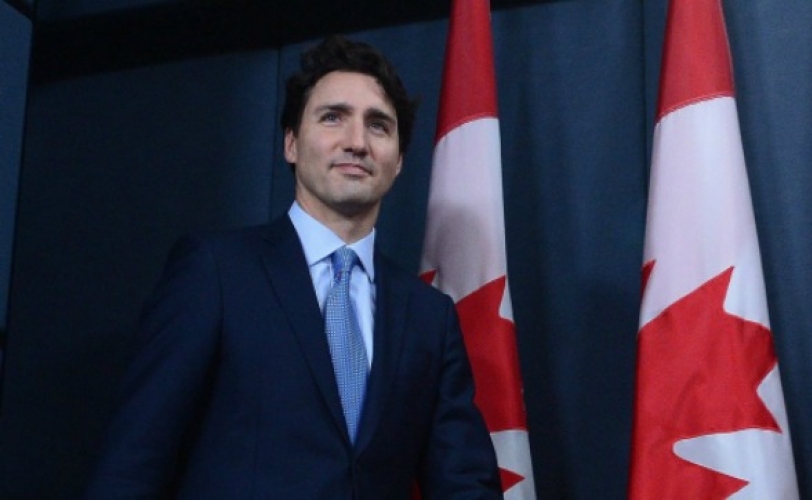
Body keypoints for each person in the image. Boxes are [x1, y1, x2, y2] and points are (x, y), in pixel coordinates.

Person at [85, 35, 502, 499]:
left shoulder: (430, 316)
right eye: (332, 118)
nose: (357, 142)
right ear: (290, 144)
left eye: (379, 126)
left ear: (399, 160)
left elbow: (465, 483)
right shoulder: (215, 273)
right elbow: (132, 463)